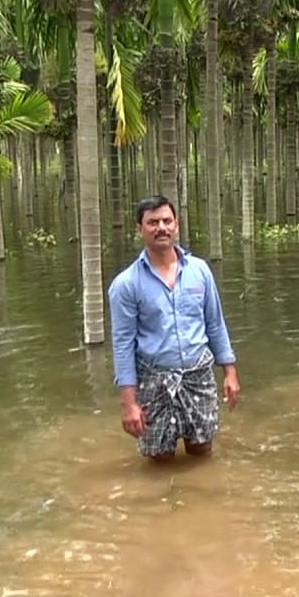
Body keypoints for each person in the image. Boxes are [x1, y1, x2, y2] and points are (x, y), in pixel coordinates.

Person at [108, 196, 240, 461]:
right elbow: (123, 345)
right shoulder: (126, 284)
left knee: (202, 450)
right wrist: (129, 404)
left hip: (198, 376)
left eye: (167, 221)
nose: (161, 228)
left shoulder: (200, 271)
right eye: (153, 222)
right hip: (154, 381)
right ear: (140, 229)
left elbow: (215, 323)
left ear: (176, 225)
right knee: (159, 458)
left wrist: (230, 372)